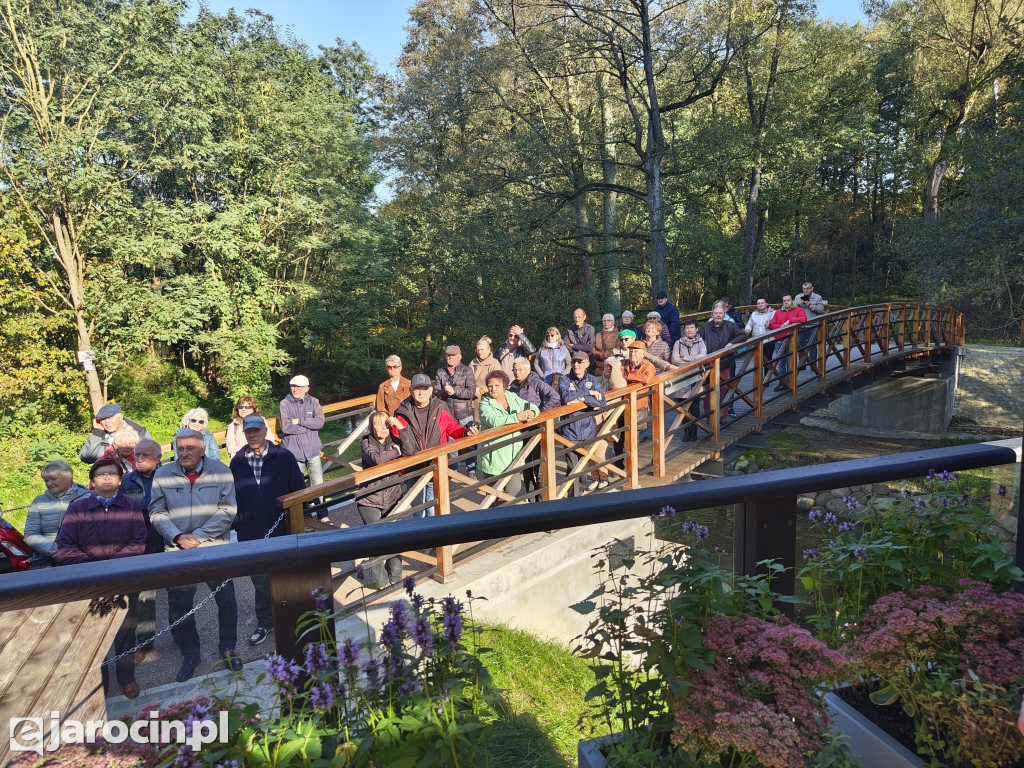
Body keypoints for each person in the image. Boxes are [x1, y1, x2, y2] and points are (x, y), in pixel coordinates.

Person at [149, 429, 240, 682]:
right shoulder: (163, 474)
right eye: (180, 448)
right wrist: (178, 537)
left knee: (227, 600)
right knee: (181, 606)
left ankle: (228, 647)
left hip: (214, 548)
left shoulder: (221, 471)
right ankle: (191, 654)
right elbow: (156, 511)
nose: (184, 453)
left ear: (203, 449)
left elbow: (227, 510)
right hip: (178, 551)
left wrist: (198, 537)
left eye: (190, 448)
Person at [56, 458, 146, 699]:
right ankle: (100, 683)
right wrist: (93, 570)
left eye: (112, 473)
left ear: (119, 480)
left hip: (123, 580)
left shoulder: (131, 507)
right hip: (90, 582)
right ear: (92, 481)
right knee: (94, 635)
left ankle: (127, 678)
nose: (106, 477)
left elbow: (138, 544)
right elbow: (64, 548)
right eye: (101, 474)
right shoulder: (77, 509)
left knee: (125, 632)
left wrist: (112, 569)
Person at [230, 414, 306, 645]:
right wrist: (238, 525)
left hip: (282, 528)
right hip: (251, 532)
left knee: (286, 578)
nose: (252, 435)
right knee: (261, 582)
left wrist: (298, 522)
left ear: (265, 431)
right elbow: (230, 498)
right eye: (248, 431)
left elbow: (300, 491)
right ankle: (265, 623)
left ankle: (292, 621)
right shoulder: (237, 461)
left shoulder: (283, 456)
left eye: (256, 430)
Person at [387, 374, 480, 516]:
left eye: (425, 389)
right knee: (418, 510)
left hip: (436, 467)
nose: (421, 392)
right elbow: (396, 440)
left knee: (433, 510)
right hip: (414, 469)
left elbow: (453, 429)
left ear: (430, 391)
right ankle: (421, 537)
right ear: (411, 391)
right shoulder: (402, 412)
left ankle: (434, 537)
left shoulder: (440, 407)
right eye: (417, 389)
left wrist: (466, 431)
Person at [121, 438, 165, 661]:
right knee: (144, 597)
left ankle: (181, 632)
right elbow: (123, 510)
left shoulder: (169, 476)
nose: (139, 459)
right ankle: (146, 642)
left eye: (145, 456)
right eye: (137, 455)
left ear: (157, 458)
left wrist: (141, 508)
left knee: (179, 592)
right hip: (143, 543)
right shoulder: (127, 480)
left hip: (168, 540)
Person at [356, 411, 405, 588]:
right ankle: (380, 582)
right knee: (377, 540)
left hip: (393, 495)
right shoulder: (366, 441)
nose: (383, 428)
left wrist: (400, 429)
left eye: (386, 424)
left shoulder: (396, 440)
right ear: (372, 427)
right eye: (378, 424)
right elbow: (376, 459)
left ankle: (397, 578)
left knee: (395, 537)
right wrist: (396, 451)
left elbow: (412, 446)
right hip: (370, 498)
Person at [478, 370, 539, 502]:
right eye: (490, 386)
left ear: (504, 386)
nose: (493, 389)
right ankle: (494, 518)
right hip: (494, 456)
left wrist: (532, 412)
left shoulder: (511, 396)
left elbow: (534, 406)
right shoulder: (484, 404)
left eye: (497, 385)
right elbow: (495, 421)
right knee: (493, 494)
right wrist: (517, 417)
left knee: (514, 488)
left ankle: (498, 517)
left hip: (513, 455)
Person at [509, 358, 561, 501]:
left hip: (536, 431)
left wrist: (540, 414)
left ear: (528, 370)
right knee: (526, 468)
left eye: (520, 370)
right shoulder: (512, 386)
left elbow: (554, 396)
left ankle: (541, 498)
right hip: (520, 432)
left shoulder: (535, 382)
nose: (517, 373)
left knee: (538, 467)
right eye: (515, 370)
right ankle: (530, 498)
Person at [23, 461, 90, 569]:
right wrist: (55, 550)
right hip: (44, 563)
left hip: (80, 561)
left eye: (53, 479)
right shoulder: (39, 501)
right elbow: (31, 534)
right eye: (46, 480)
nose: (49, 484)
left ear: (68, 477)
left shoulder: (88, 499)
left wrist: (71, 552)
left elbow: (95, 532)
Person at [557, 352, 607, 496]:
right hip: (569, 430)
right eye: (574, 362)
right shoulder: (564, 379)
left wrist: (583, 400)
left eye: (580, 362)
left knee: (583, 467)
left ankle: (577, 495)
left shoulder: (593, 379)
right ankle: (574, 498)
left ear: (587, 364)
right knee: (573, 467)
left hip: (587, 430)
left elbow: (601, 402)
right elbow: (566, 398)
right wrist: (589, 393)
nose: (576, 365)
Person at [279, 374, 326, 509]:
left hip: (312, 449)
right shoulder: (284, 403)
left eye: (299, 387)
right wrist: (308, 428)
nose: (295, 389)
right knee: (297, 487)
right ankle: (303, 516)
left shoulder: (314, 402)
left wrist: (300, 421)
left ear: (307, 388)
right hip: (294, 451)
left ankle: (322, 514)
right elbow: (286, 427)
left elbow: (320, 422)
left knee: (318, 484)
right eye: (293, 386)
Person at [699, 305, 747, 423]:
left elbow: (743, 335)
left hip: (724, 363)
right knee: (708, 391)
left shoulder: (730, 325)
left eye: (720, 313)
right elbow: (698, 340)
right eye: (716, 313)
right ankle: (709, 415)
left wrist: (731, 343)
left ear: (724, 314)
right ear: (712, 315)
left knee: (724, 388)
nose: (718, 315)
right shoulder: (705, 327)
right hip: (708, 364)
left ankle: (722, 415)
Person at [589, 358, 627, 490]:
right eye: (606, 366)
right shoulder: (597, 380)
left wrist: (615, 368)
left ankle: (604, 478)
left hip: (608, 422)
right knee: (589, 450)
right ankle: (595, 477)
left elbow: (617, 384)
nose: (607, 369)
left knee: (599, 451)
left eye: (611, 367)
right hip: (593, 421)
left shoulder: (619, 381)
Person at [671, 319, 708, 441]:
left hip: (696, 379)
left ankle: (694, 431)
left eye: (692, 327)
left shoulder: (701, 342)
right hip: (682, 379)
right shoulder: (679, 343)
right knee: (683, 407)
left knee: (695, 408)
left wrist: (685, 358)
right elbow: (675, 360)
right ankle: (686, 431)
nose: (689, 330)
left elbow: (702, 357)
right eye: (687, 328)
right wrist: (692, 360)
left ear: (696, 329)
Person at [80, 403, 152, 464]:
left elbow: (151, 457)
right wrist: (97, 433)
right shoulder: (100, 436)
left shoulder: (139, 431)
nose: (107, 423)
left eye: (110, 418)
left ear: (120, 417)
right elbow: (86, 459)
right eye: (103, 419)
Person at [767, 294, 807, 391]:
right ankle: (782, 382)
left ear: (792, 301)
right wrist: (781, 326)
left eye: (788, 300)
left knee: (790, 362)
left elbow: (804, 319)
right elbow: (772, 324)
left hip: (791, 340)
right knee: (781, 362)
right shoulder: (778, 312)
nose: (786, 302)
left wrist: (790, 321)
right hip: (779, 340)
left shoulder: (798, 310)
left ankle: (791, 382)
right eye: (784, 300)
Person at [434, 345, 476, 425]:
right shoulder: (440, 372)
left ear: (459, 357)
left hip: (465, 415)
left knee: (468, 437)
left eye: (453, 355)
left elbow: (471, 392)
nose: (450, 357)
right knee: (451, 438)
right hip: (448, 415)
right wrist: (445, 392)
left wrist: (454, 391)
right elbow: (436, 394)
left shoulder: (467, 371)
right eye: (448, 355)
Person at [795, 281, 826, 371]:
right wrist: (797, 304)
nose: (806, 290)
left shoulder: (817, 297)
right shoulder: (798, 297)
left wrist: (811, 305)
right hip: (801, 326)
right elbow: (792, 308)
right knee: (800, 346)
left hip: (813, 325)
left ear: (812, 288)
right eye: (804, 289)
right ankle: (801, 364)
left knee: (812, 345)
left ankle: (813, 364)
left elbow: (821, 310)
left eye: (807, 288)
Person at [744, 297, 777, 378]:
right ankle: (759, 378)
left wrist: (770, 325)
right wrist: (747, 330)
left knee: (767, 360)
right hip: (757, 340)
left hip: (769, 340)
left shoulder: (773, 313)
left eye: (762, 303)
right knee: (758, 360)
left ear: (767, 304)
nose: (760, 305)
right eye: (758, 303)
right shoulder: (754, 314)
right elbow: (749, 324)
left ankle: (767, 378)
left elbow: (777, 324)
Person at [470, 337, 502, 419]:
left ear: (488, 349)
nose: (480, 352)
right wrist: (472, 389)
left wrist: (481, 390)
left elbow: (496, 382)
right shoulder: (473, 362)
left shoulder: (494, 363)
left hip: (487, 399)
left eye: (482, 349)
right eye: (477, 350)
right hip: (472, 399)